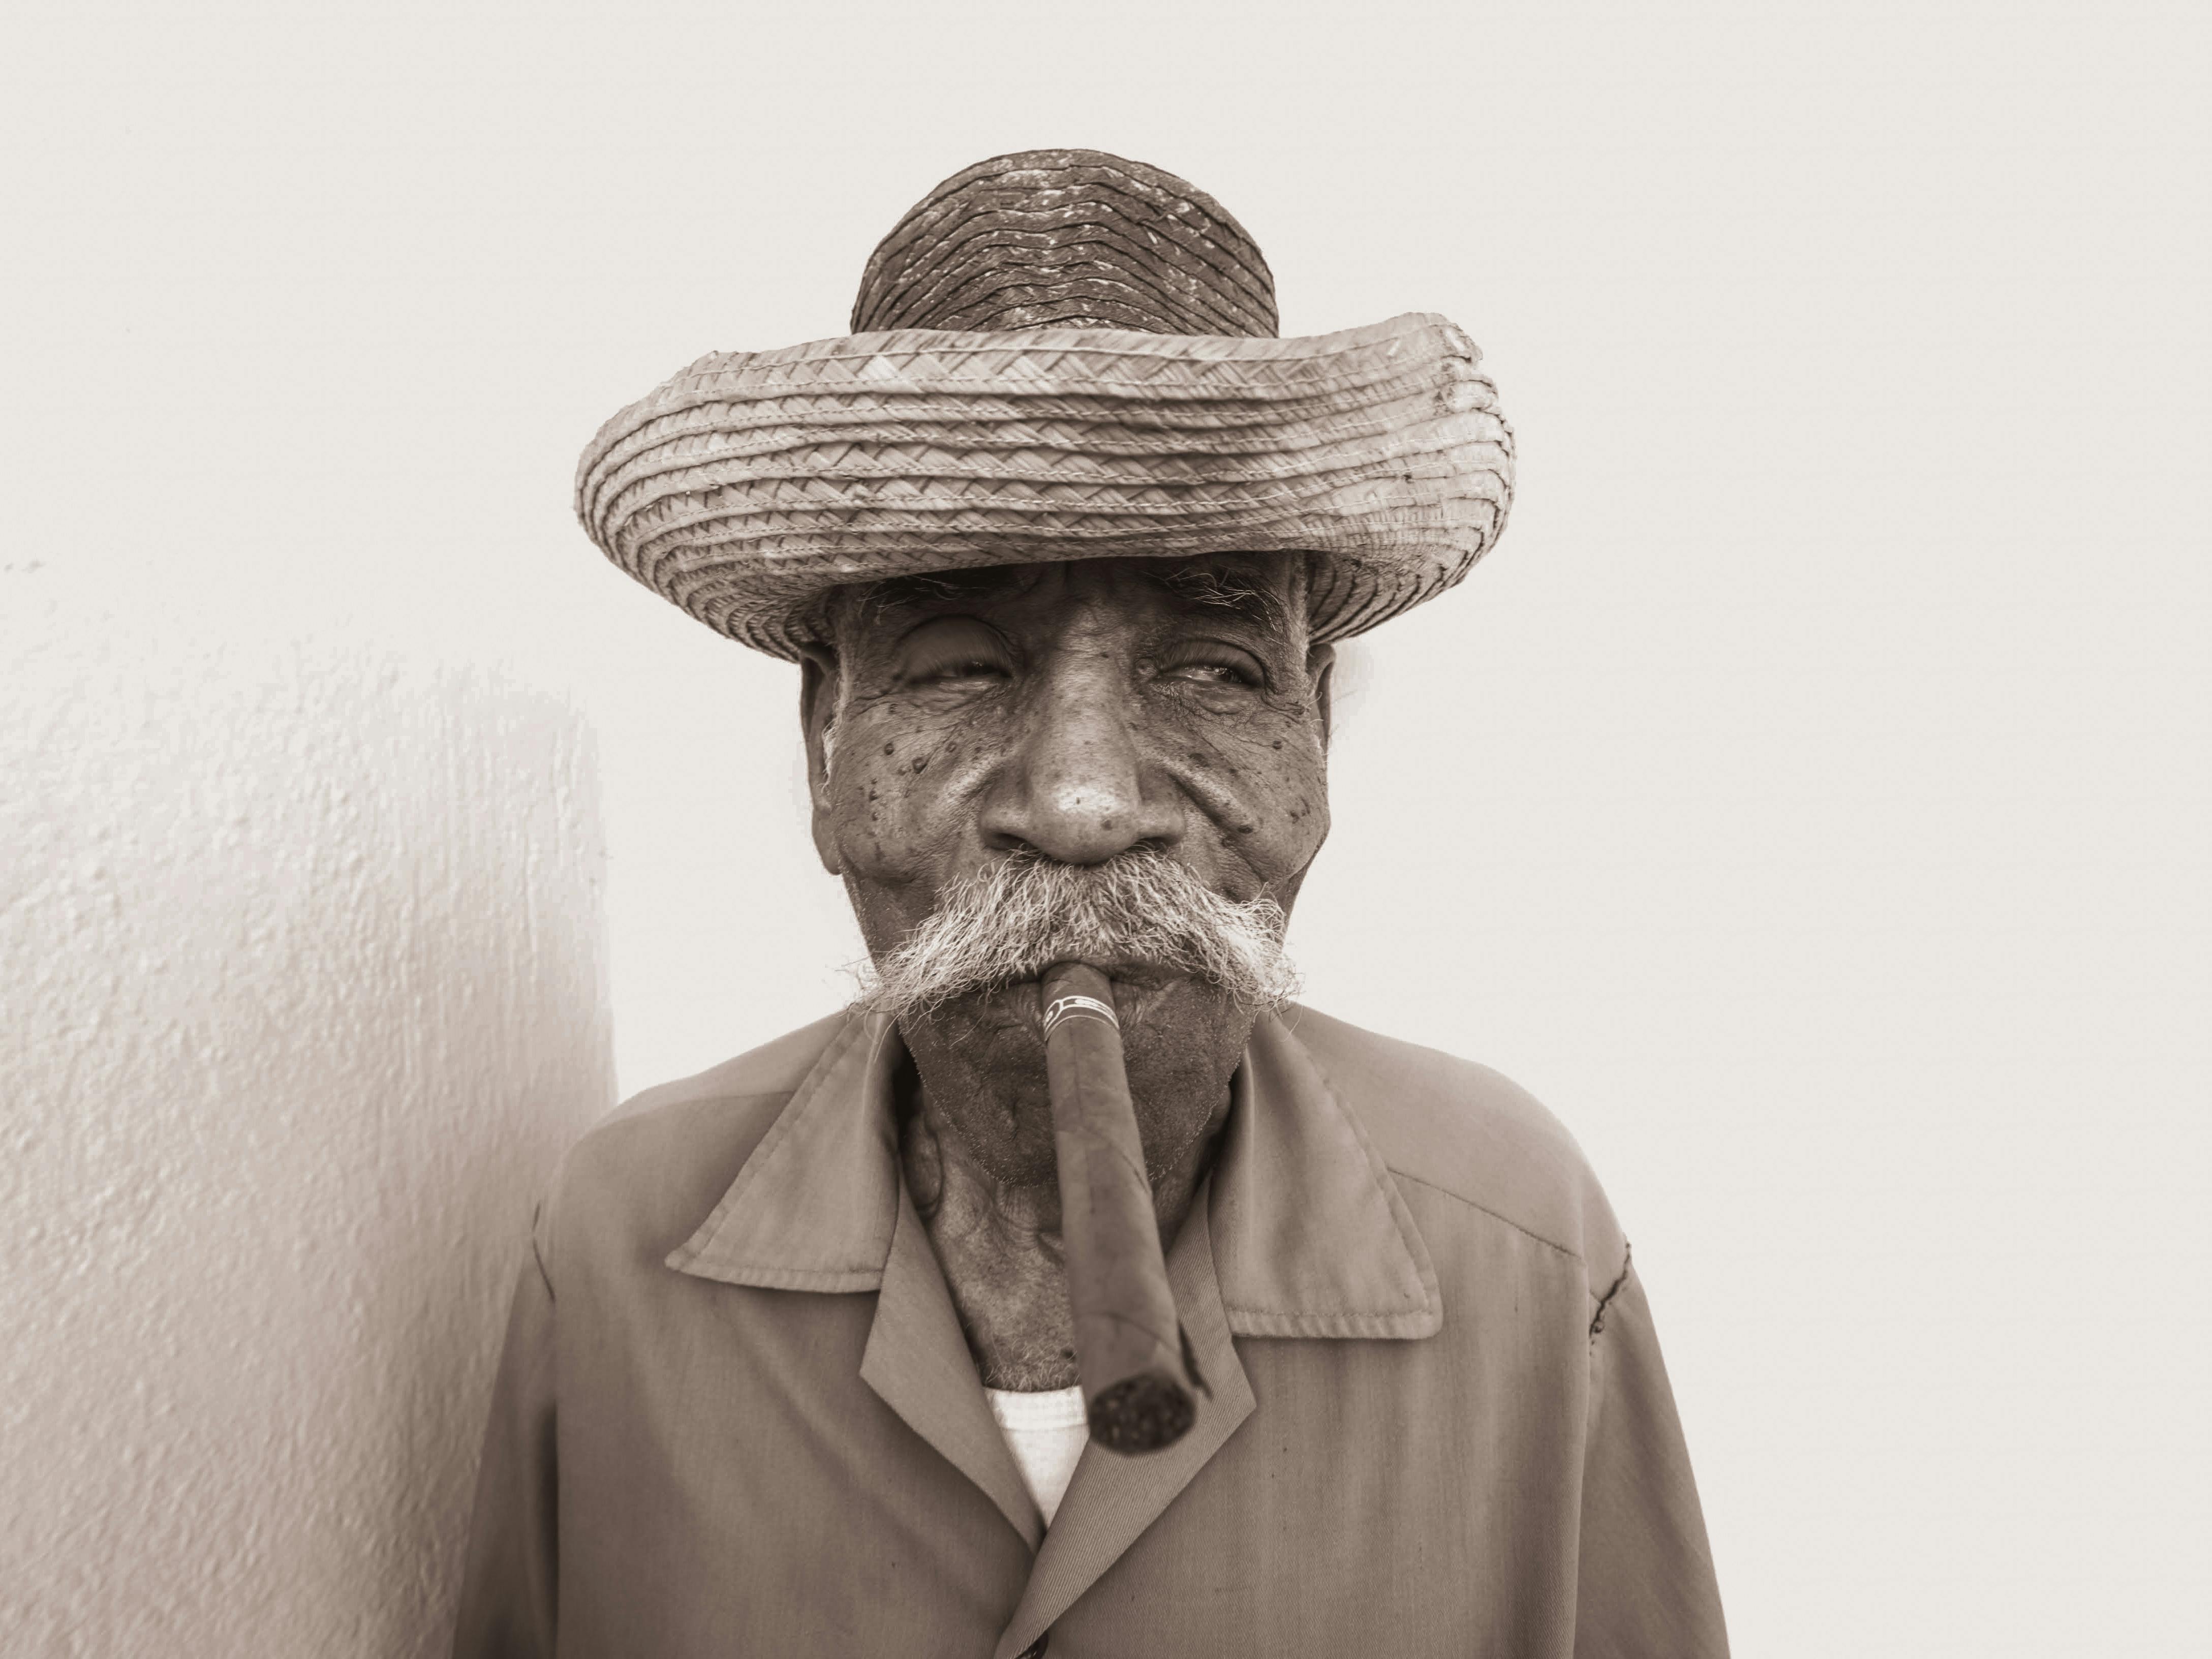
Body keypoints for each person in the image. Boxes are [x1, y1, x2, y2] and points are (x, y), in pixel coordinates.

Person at [453, 149, 1727, 1658]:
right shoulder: (618, 1250)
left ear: (1314, 736)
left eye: (1210, 670)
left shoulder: (1523, 1250)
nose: (1079, 805)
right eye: (958, 666)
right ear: (824, 745)